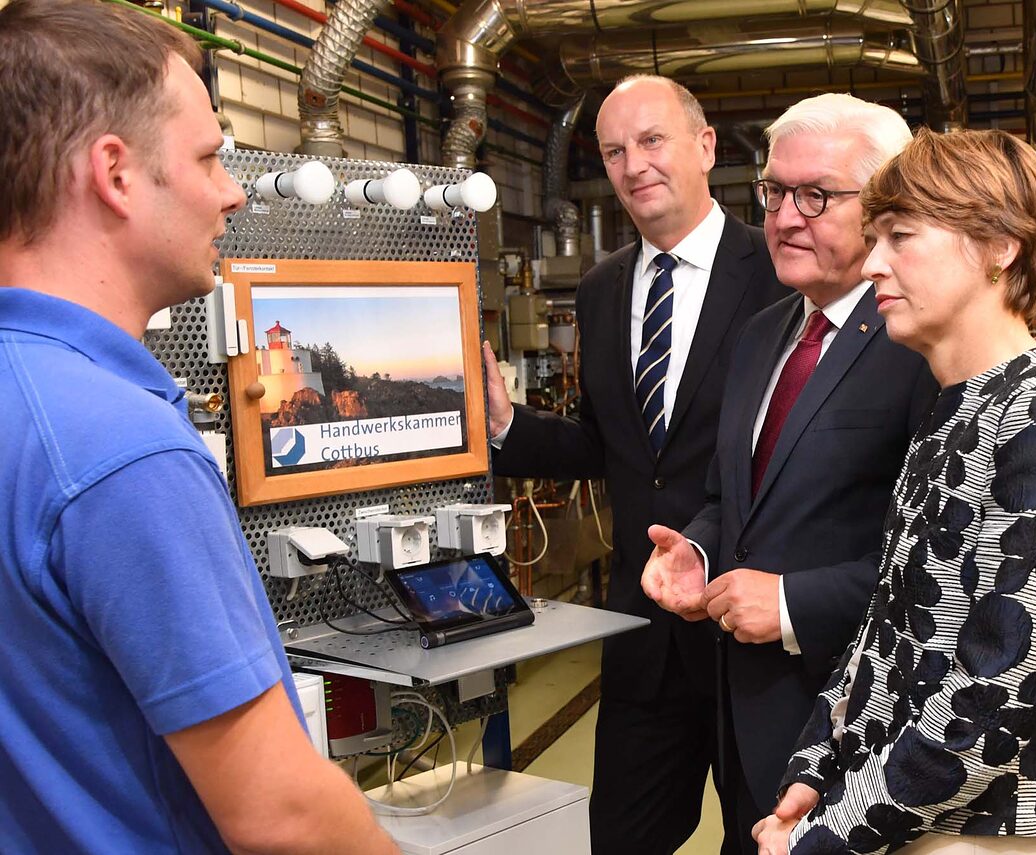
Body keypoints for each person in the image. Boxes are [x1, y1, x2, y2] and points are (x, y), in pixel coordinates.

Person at [0, 2, 396, 852]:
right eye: (210, 156)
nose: (233, 189)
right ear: (115, 173)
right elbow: (279, 814)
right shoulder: (119, 448)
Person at [738, 128, 1036, 855]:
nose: (874, 262)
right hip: (905, 814)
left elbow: (995, 691)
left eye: (900, 236)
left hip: (982, 832)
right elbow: (891, 625)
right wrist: (816, 766)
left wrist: (830, 835)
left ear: (999, 246)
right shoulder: (959, 403)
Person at [483, 75, 787, 854]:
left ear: (705, 147)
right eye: (615, 151)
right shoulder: (600, 287)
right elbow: (611, 444)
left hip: (747, 629)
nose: (633, 164)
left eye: (652, 141)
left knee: (762, 841)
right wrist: (508, 425)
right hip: (643, 630)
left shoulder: (778, 274)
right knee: (620, 838)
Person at [640, 94, 938, 852]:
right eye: (774, 192)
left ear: (884, 207)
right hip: (744, 719)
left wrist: (793, 601)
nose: (784, 216)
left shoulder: (920, 348)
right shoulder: (760, 336)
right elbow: (727, 496)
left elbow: (942, 561)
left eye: (817, 195)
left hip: (859, 730)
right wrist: (700, 550)